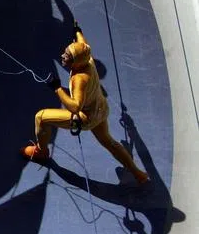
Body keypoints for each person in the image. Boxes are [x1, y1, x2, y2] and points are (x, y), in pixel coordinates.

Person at [22, 23, 149, 184]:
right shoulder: (87, 59)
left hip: (86, 117)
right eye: (65, 52)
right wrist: (78, 31)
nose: (62, 56)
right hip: (101, 110)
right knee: (109, 142)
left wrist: (57, 89)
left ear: (75, 62)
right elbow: (83, 44)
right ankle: (138, 174)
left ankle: (41, 151)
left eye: (67, 56)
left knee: (41, 117)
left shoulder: (79, 79)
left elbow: (75, 107)